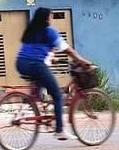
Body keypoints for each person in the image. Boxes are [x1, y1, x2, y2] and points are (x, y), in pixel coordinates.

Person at [16, 7, 92, 140]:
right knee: (57, 94)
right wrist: (82, 61)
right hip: (36, 65)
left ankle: (34, 110)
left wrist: (53, 58)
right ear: (46, 19)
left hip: (21, 63)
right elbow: (69, 51)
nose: (51, 20)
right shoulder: (50, 32)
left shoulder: (30, 31)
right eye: (51, 17)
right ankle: (59, 130)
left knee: (37, 92)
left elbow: (35, 50)